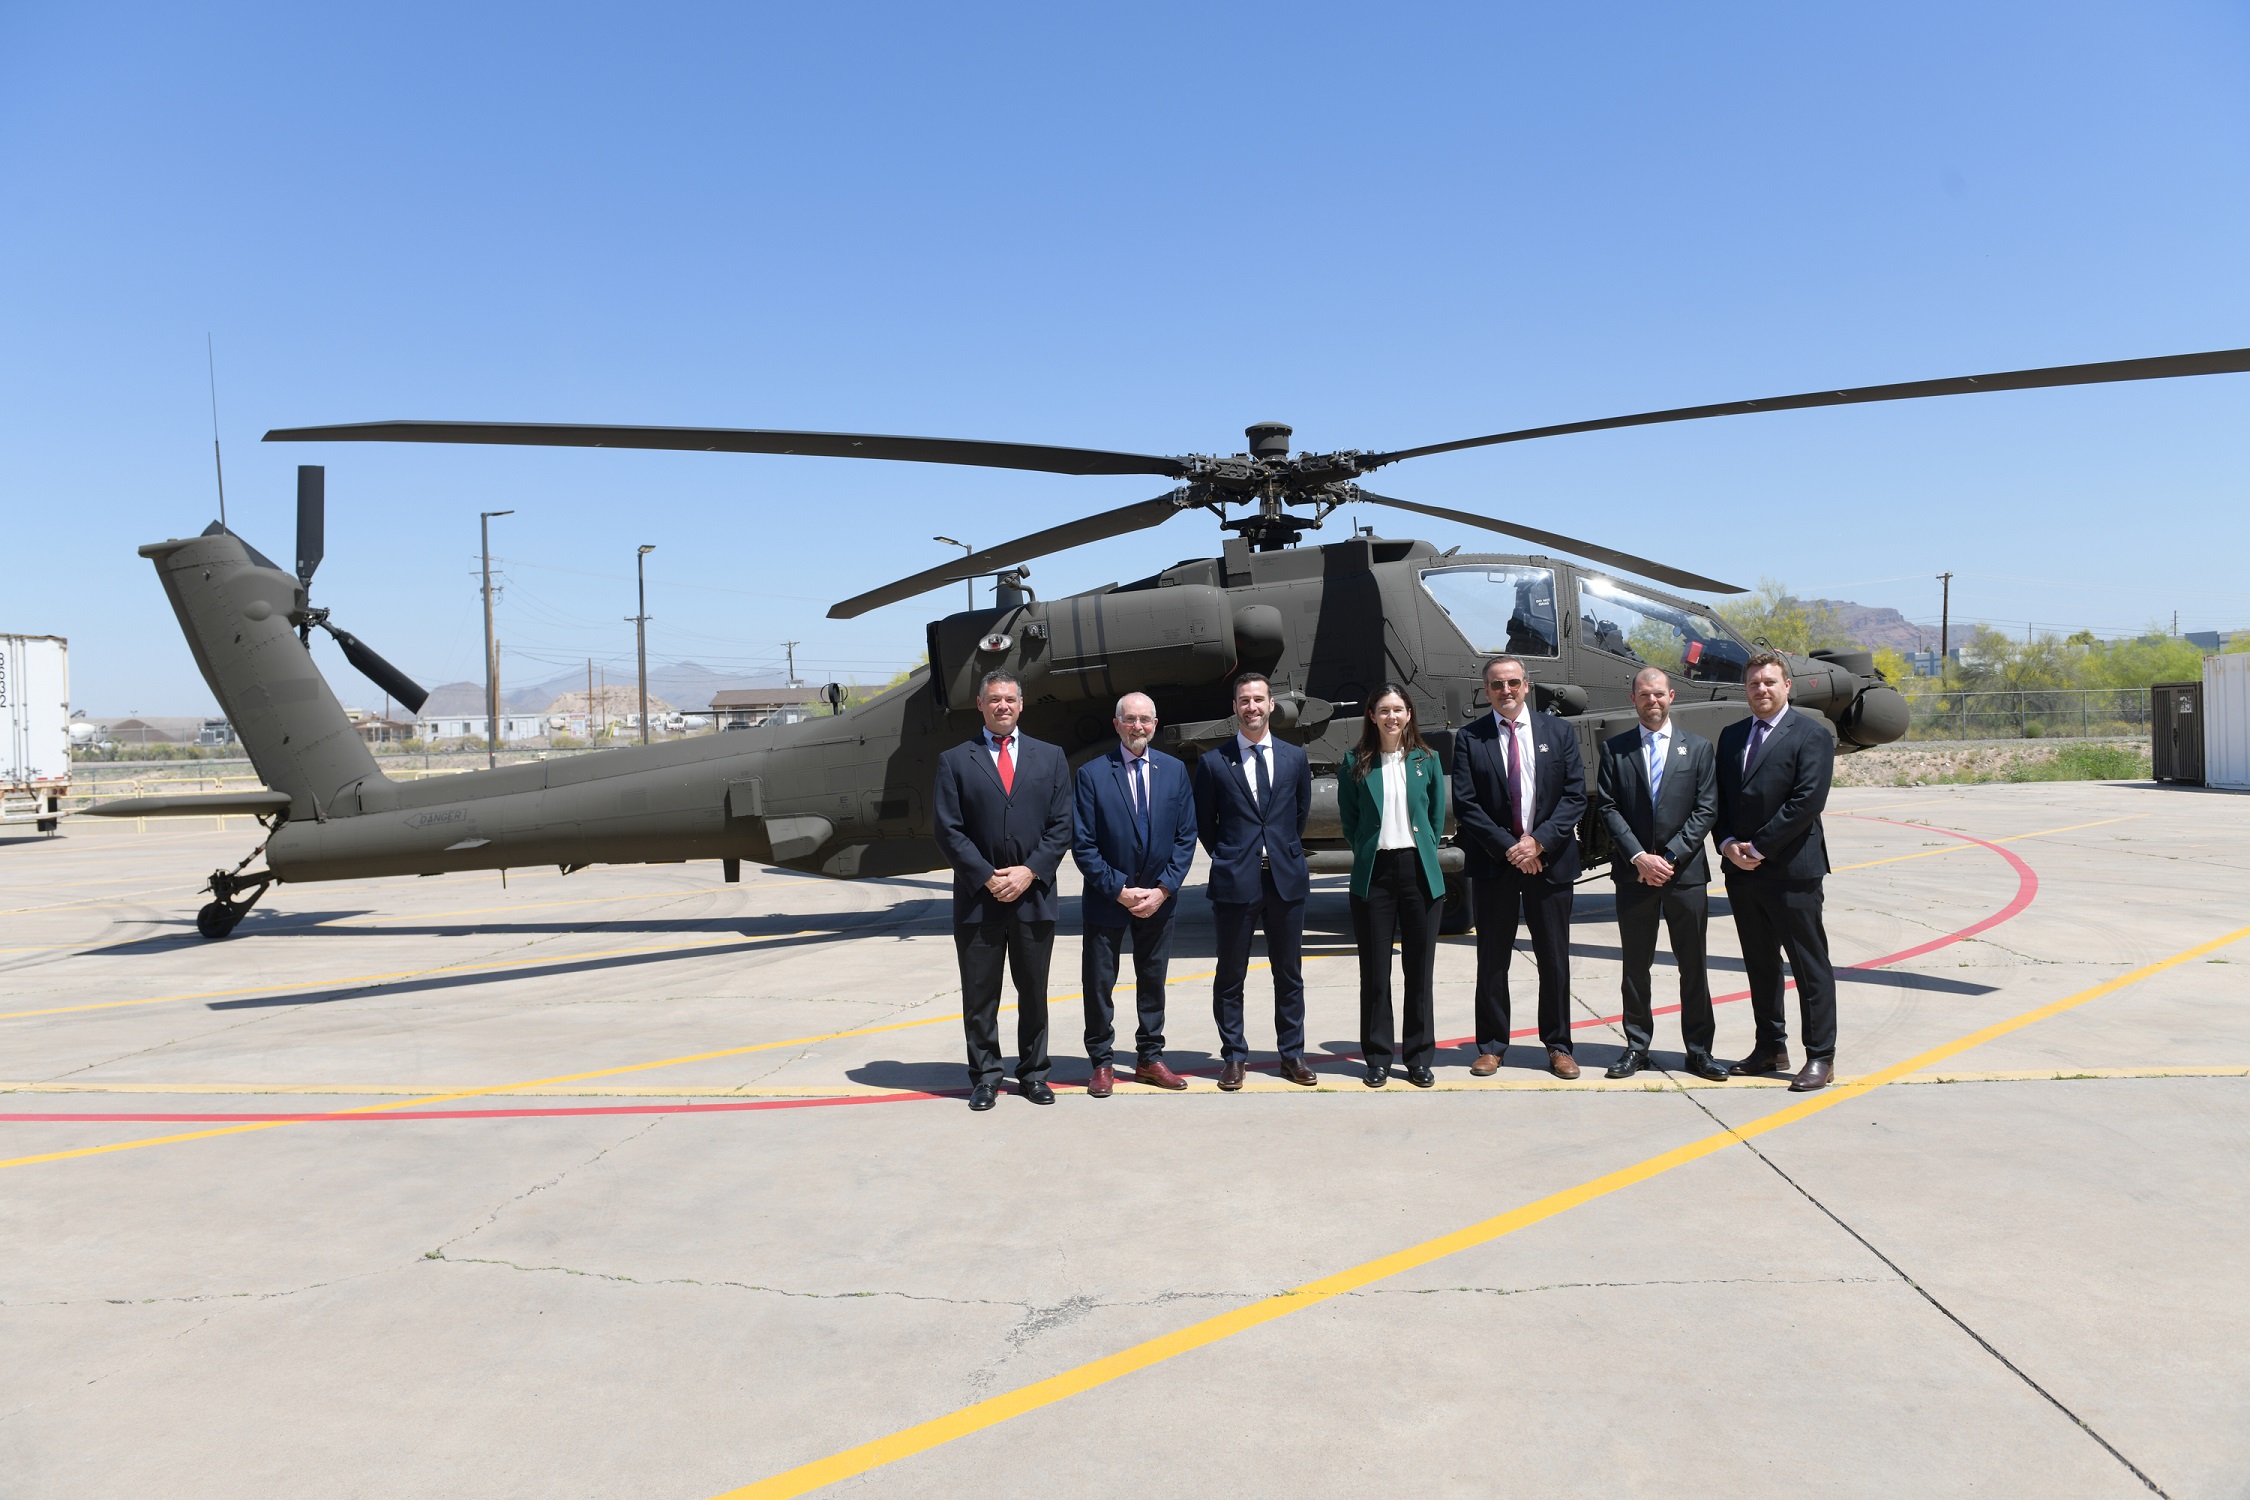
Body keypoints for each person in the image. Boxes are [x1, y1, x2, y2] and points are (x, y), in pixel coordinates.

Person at [931, 670, 1075, 1111]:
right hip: (979, 899)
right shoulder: (955, 760)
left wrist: (1029, 872)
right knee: (980, 996)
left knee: (1033, 993)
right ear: (980, 704)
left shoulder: (1050, 757)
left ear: (1021, 704)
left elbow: (1062, 825)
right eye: (994, 699)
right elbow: (948, 830)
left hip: (1033, 897)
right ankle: (986, 1077)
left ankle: (1034, 1074)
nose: (1003, 706)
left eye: (1010, 699)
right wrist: (986, 876)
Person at [1451, 655, 1586, 1078]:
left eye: (1513, 682)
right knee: (1492, 959)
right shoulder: (1469, 738)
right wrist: (1512, 849)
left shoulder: (1559, 732)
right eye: (1496, 685)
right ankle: (1492, 1046)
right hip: (1496, 864)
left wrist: (1537, 843)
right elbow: (1466, 804)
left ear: (1527, 685)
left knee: (1554, 958)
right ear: (1486, 691)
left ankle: (1559, 1046)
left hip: (1550, 861)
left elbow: (1574, 795)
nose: (1505, 690)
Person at [1593, 666, 1726, 1081]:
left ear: (1671, 697)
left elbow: (1706, 808)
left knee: (1693, 965)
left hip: (1684, 875)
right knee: (1635, 967)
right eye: (1644, 694)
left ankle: (1699, 1050)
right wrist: (1639, 857)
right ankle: (1637, 1046)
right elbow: (1608, 807)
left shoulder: (1698, 749)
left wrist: (1669, 857)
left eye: (1659, 694)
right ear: (1633, 699)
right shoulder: (1615, 750)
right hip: (1635, 875)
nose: (1652, 701)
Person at [1714, 651, 1838, 1092]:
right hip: (1742, 871)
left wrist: (1760, 847)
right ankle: (1770, 1047)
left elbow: (1807, 801)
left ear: (1787, 686)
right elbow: (1719, 799)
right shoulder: (1731, 736)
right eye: (1754, 683)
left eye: (1769, 682)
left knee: (1809, 966)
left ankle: (1820, 1056)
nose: (1761, 689)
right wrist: (1728, 844)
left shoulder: (1811, 734)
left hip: (1792, 871)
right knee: (1760, 964)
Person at [1071, 692, 1198, 1097]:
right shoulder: (1092, 774)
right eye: (1130, 719)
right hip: (1108, 899)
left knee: (1153, 981)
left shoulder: (1174, 771)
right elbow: (1084, 845)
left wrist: (1163, 889)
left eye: (1145, 719)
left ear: (1155, 725)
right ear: (1117, 725)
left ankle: (1150, 1058)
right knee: (1099, 984)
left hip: (1159, 901)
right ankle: (1101, 1062)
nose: (1137, 726)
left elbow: (1186, 837)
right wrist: (1119, 890)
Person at [1193, 673, 1316, 1090]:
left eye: (1259, 699)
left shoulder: (1294, 758)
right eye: (1244, 700)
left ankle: (1292, 1055)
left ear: (1270, 705)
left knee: (1289, 973)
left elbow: (1299, 815)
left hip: (1285, 880)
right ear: (1235, 708)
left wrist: (1278, 851)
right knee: (1230, 974)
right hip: (1236, 881)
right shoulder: (1214, 762)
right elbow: (1205, 824)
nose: (1252, 707)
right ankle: (1233, 1056)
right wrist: (1232, 857)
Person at [1336, 685, 1448, 1089]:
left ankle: (1418, 1057)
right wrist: (1370, 848)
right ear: (1372, 715)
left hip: (1418, 872)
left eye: (1398, 709)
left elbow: (1436, 818)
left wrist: (1423, 847)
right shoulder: (1355, 762)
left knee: (1419, 972)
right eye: (1384, 710)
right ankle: (1378, 1057)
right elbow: (1350, 821)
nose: (1392, 717)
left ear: (1409, 713)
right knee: (1375, 973)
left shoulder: (1427, 760)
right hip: (1375, 875)